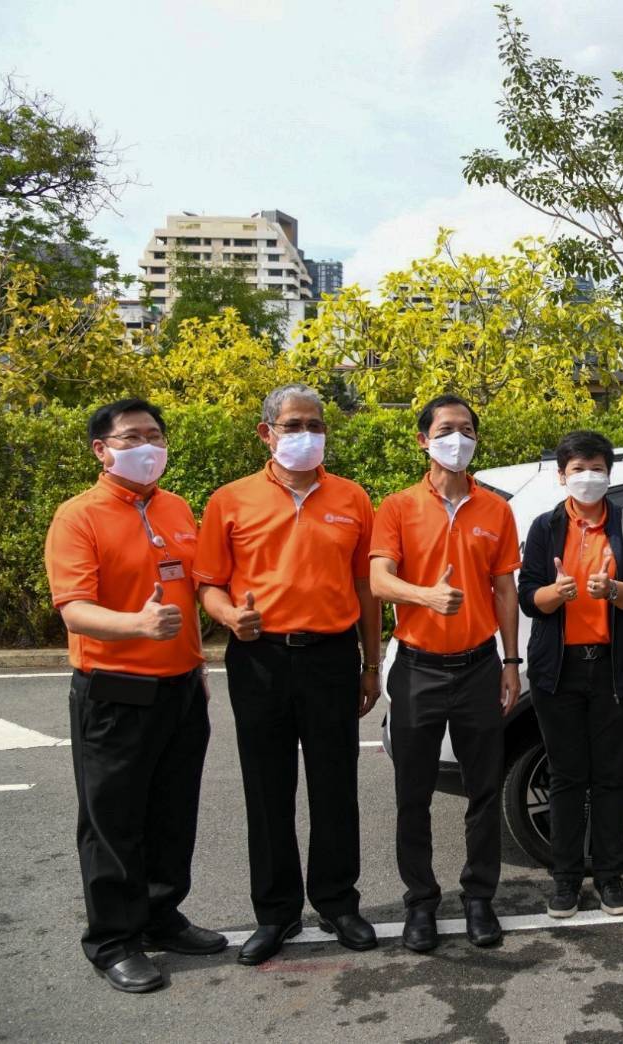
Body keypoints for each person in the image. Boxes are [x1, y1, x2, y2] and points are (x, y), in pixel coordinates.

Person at [194, 383, 381, 965]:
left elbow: (365, 588)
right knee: (267, 789)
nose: (307, 435)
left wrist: (371, 663)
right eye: (294, 425)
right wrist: (229, 617)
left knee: (335, 786)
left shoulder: (352, 498)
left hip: (330, 657)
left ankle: (337, 902)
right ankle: (276, 914)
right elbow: (208, 583)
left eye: (316, 425)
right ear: (266, 432)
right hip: (260, 659)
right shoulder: (230, 500)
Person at [45, 398, 226, 993]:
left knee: (172, 813)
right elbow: (75, 610)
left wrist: (195, 662)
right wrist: (138, 628)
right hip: (115, 691)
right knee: (112, 821)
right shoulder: (79, 517)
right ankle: (113, 940)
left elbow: (188, 592)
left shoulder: (175, 507)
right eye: (131, 437)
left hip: (180, 688)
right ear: (102, 449)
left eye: (154, 435)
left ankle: (160, 915)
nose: (147, 446)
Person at [369, 395, 522, 951]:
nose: (456, 438)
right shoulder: (398, 507)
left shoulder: (495, 510)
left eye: (466, 429)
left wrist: (511, 661)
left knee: (485, 790)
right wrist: (424, 596)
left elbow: (505, 588)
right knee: (414, 795)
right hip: (418, 671)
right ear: (423, 440)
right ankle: (420, 904)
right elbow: (379, 580)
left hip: (481, 667)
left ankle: (479, 899)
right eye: (446, 429)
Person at [518, 430, 623, 920]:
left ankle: (611, 879)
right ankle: (566, 881)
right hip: (560, 671)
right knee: (567, 777)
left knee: (612, 777)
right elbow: (527, 597)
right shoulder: (544, 527)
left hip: (615, 669)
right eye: (577, 470)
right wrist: (558, 593)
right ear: (562, 476)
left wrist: (612, 589)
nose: (588, 478)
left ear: (609, 473)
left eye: (596, 468)